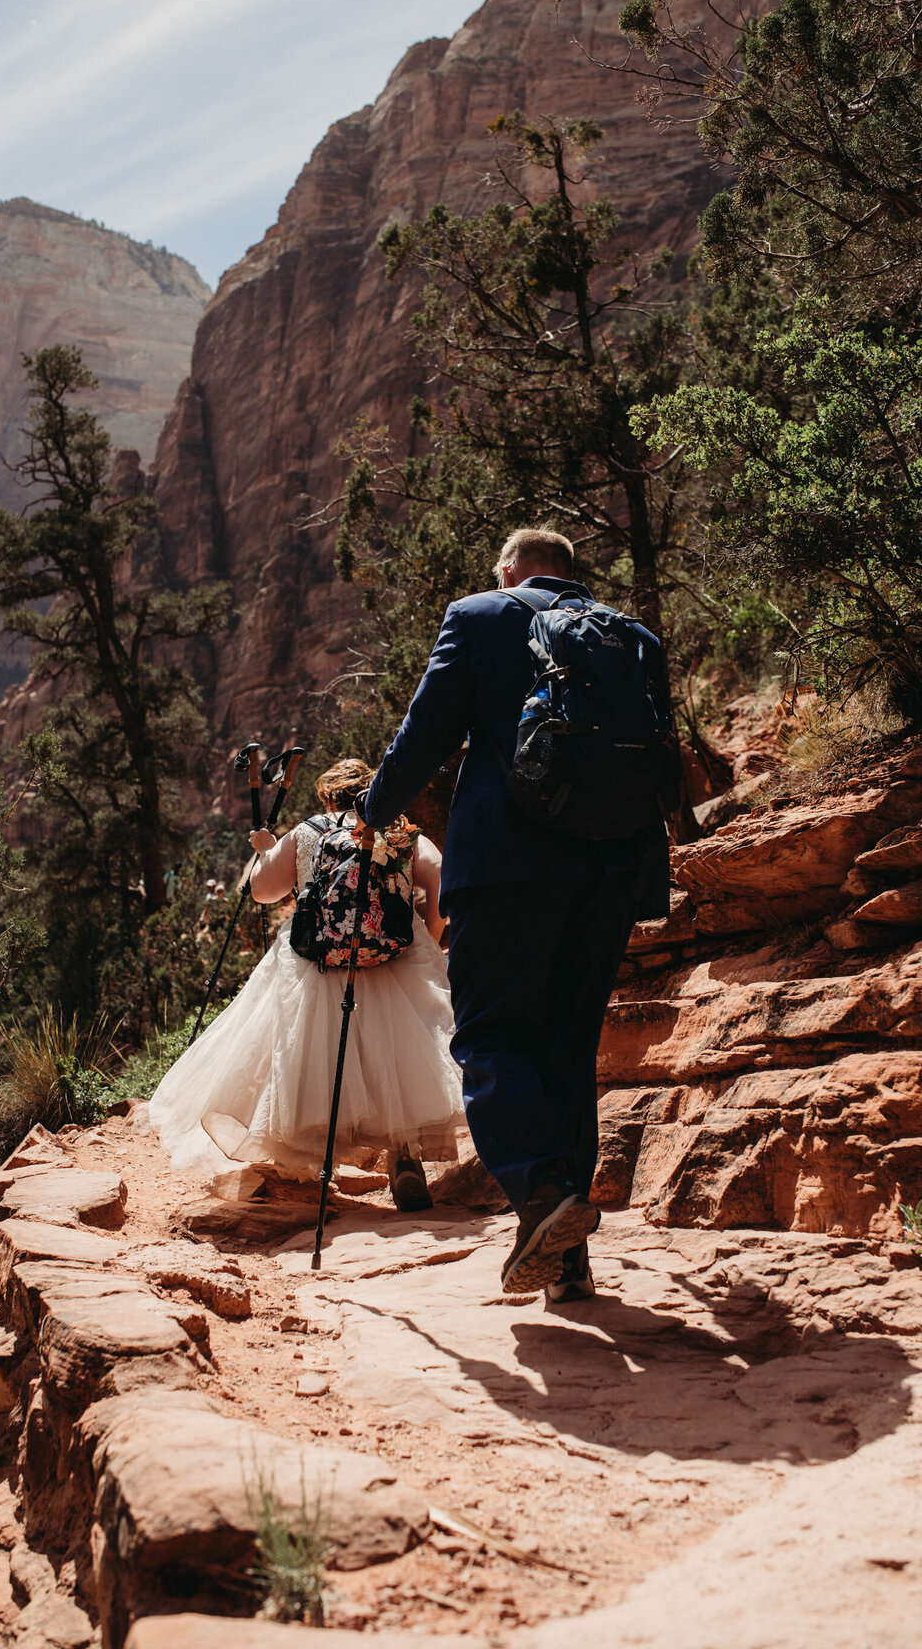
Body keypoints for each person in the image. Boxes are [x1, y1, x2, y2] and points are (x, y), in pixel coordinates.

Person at [363, 529, 670, 1299]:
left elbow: (425, 735)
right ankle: (567, 1263)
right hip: (608, 872)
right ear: (570, 574)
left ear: (507, 571)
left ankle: (539, 1190)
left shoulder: (479, 615)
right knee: (567, 1053)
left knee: (492, 1035)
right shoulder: (631, 635)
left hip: (505, 868)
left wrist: (373, 811)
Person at [149, 757, 463, 1210]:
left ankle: (310, 1171)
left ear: (329, 795)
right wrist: (427, 940)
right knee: (399, 1059)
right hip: (393, 956)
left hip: (320, 963)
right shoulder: (401, 832)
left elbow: (261, 892)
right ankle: (406, 1159)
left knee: (310, 1054)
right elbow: (443, 882)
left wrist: (265, 850)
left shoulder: (309, 831)